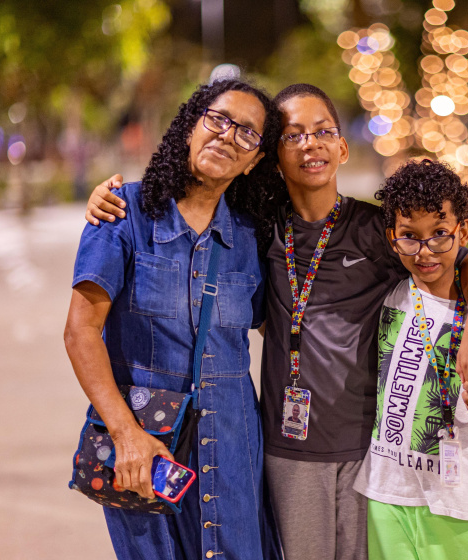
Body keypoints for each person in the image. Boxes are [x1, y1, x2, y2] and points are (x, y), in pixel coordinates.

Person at [84, 83, 468, 560]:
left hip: (369, 448)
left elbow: (467, 261)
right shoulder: (255, 228)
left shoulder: (376, 229)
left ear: (342, 147)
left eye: (323, 131)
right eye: (293, 135)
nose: (310, 143)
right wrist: (111, 200)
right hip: (288, 453)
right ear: (272, 157)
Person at [64, 78, 284, 560]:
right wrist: (125, 434)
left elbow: (282, 325)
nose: (228, 136)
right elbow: (81, 332)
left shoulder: (252, 239)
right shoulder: (124, 214)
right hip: (145, 447)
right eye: (219, 120)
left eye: (247, 133)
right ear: (191, 126)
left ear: (255, 161)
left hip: (233, 448)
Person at [354, 158, 468, 560]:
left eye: (440, 234)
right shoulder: (391, 293)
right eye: (410, 236)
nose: (425, 251)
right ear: (392, 238)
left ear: (463, 232)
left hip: (465, 501)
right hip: (388, 493)